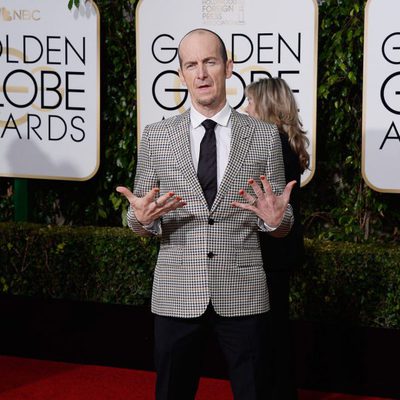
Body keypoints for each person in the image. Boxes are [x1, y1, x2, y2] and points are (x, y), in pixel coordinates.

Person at [117, 29, 295, 400]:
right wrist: (142, 219)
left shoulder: (264, 136)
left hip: (243, 292)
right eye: (191, 65)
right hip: (176, 292)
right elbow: (138, 217)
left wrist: (277, 220)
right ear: (181, 75)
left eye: (210, 62)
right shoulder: (156, 136)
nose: (201, 73)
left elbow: (282, 220)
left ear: (228, 67)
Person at [245, 77, 309, 400]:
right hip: (280, 253)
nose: (245, 110)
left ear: (266, 107)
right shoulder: (287, 144)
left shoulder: (275, 148)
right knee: (275, 334)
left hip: (271, 254)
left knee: (267, 338)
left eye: (250, 103)